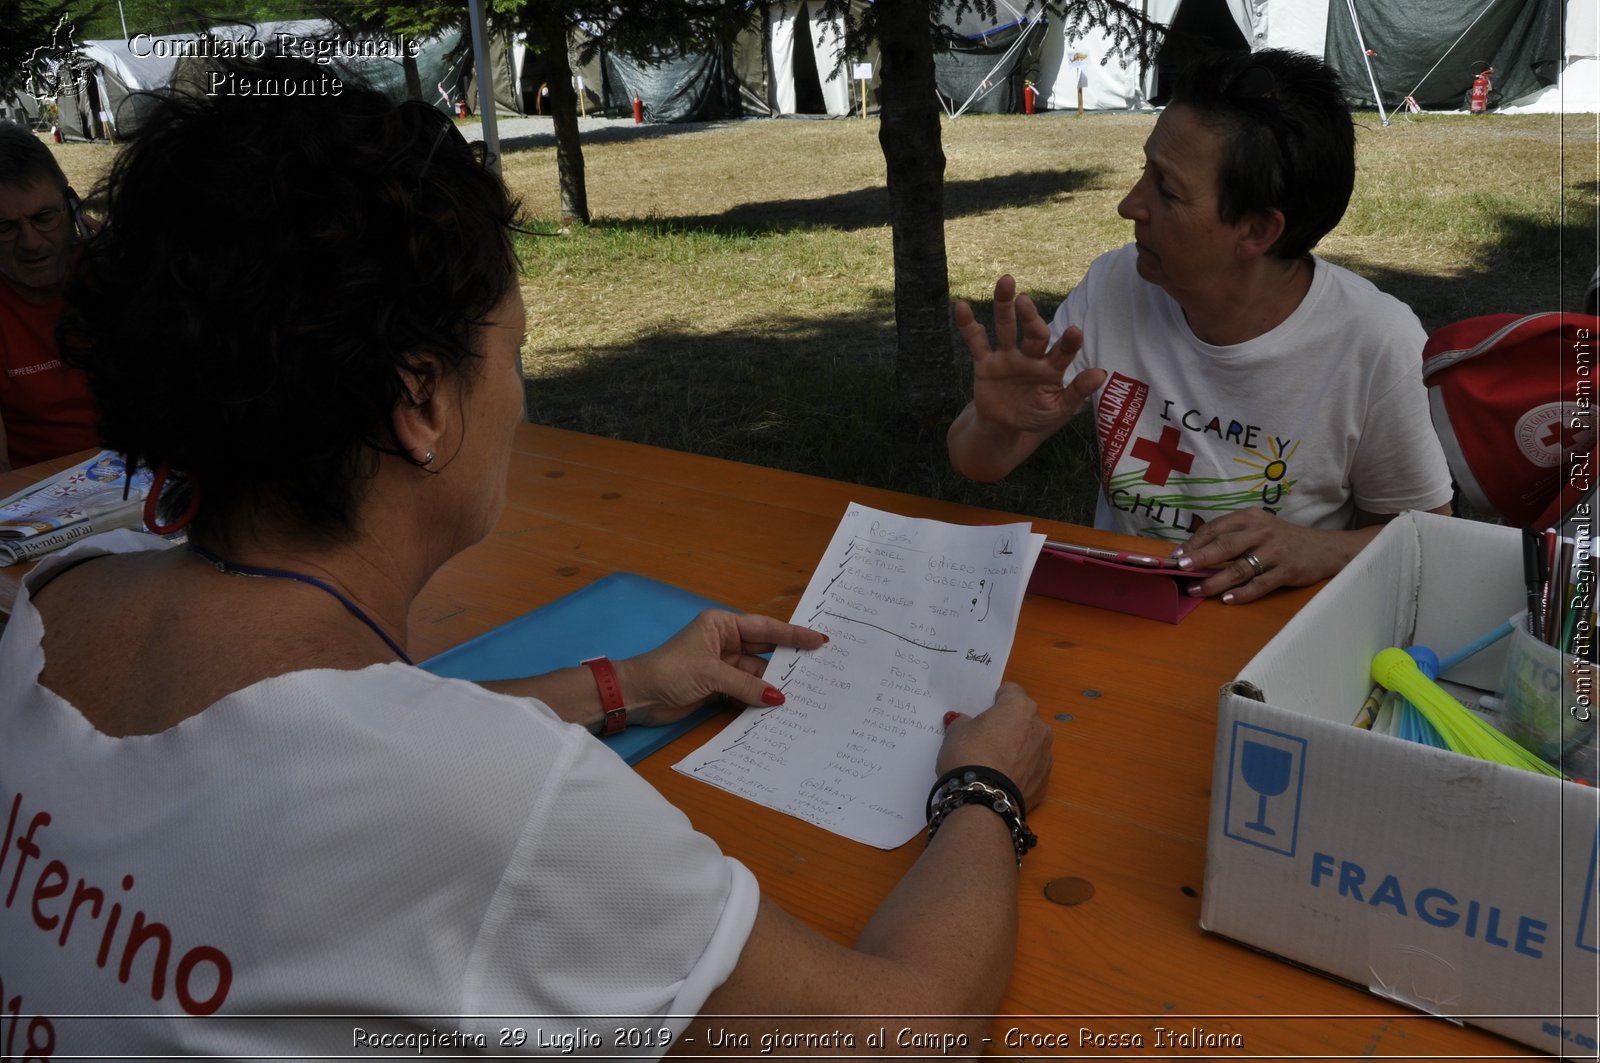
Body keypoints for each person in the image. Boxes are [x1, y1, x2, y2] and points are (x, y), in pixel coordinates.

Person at [0, 55, 1052, 1055]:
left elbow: (288, 755)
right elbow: (899, 1033)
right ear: (419, 402)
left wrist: (620, 684)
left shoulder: (48, 607)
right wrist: (980, 790)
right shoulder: (489, 805)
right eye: (511, 354)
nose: (520, 398)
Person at [947, 49, 1454, 605]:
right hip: (1129, 613)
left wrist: (1319, 549)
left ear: (1257, 230)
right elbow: (980, 463)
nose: (1128, 205)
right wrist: (997, 423)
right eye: (1145, 170)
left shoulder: (1374, 342)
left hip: (1275, 641)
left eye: (1166, 190)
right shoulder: (1116, 285)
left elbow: (1428, 539)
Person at [0, 122, 98, 471]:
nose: (31, 243)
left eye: (44, 218)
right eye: (5, 227)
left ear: (72, 209)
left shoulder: (119, 277)